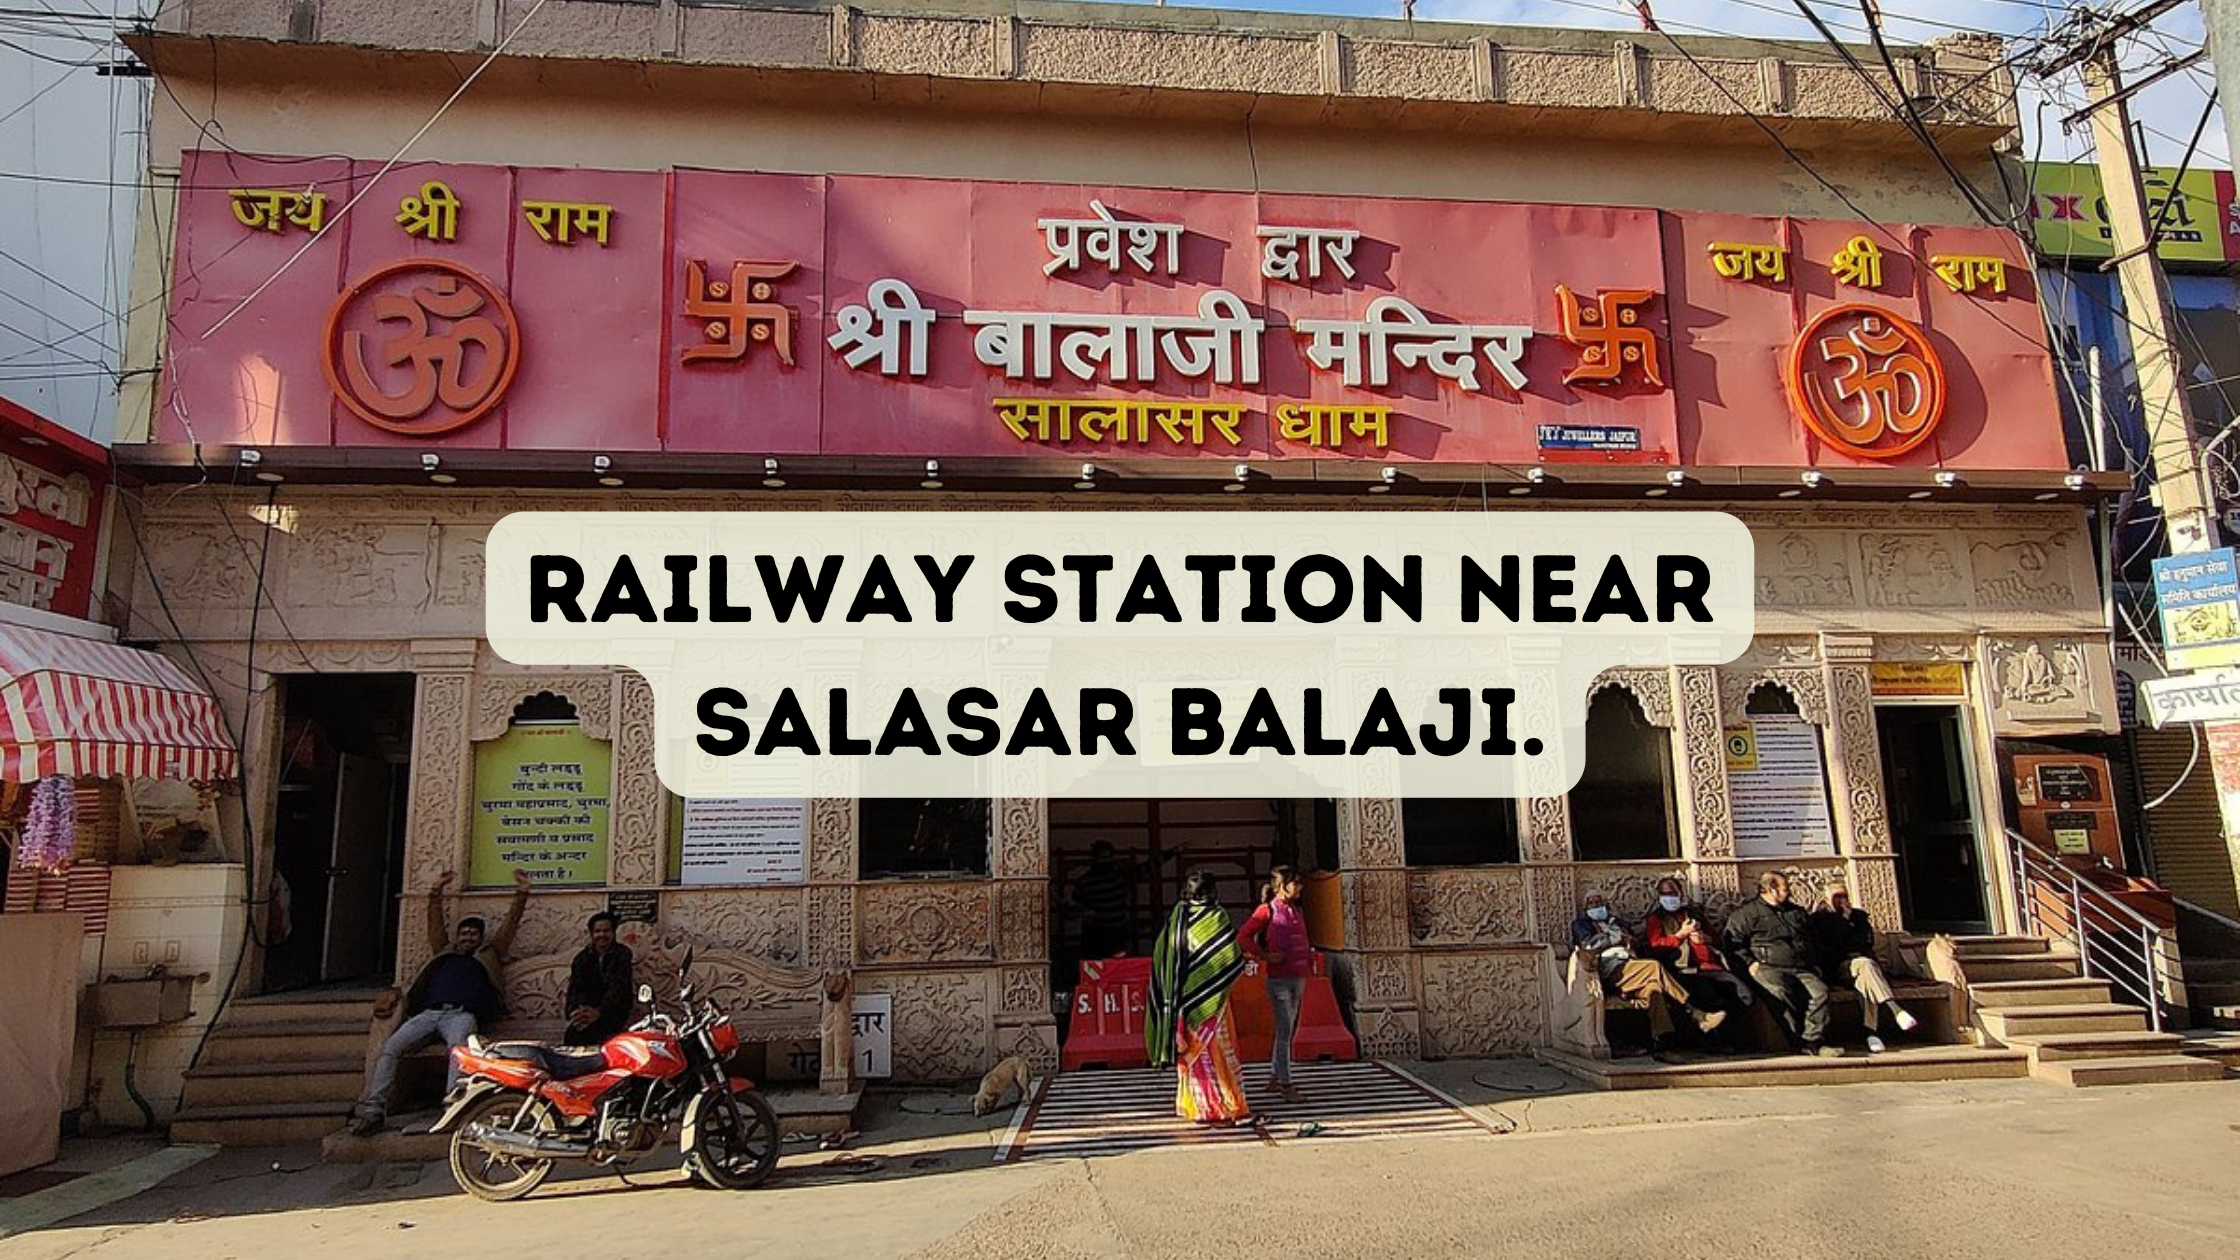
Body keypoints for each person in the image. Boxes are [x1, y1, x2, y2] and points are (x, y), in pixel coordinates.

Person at [351, 867, 532, 1135]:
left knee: (458, 1053)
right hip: (428, 1014)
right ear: (457, 937)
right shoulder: (444, 953)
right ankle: (373, 1110)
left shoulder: (488, 954)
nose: (468, 938)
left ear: (480, 938)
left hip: (461, 1015)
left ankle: (453, 1107)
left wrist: (522, 892)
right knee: (391, 1048)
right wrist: (436, 891)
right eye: (464, 934)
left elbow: (510, 924)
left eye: (473, 934)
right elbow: (434, 923)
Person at [1146, 869, 1254, 1126]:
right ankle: (1228, 1107)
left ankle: (1198, 1108)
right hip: (1211, 1002)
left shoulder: (1176, 919)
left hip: (1182, 1003)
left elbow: (1163, 958)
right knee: (1219, 1054)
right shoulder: (1216, 916)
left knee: (1194, 1059)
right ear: (1213, 892)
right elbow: (1227, 955)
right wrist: (1242, 961)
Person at [1571, 891, 1727, 1059]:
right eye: (1591, 903)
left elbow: (1635, 942)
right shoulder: (1581, 924)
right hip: (1610, 967)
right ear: (1585, 906)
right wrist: (1613, 938)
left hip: (1632, 964)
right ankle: (1696, 1014)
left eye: (1599, 901)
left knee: (1655, 990)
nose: (1596, 905)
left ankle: (1662, 1045)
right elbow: (1588, 945)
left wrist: (1628, 940)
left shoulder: (1617, 922)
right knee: (1654, 967)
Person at [1723, 871, 1839, 1057]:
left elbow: (1812, 939)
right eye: (1785, 889)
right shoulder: (1747, 914)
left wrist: (1815, 961)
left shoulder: (1796, 912)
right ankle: (1796, 1038)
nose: (1789, 892)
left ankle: (1813, 1039)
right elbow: (1732, 944)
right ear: (1770, 889)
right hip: (1766, 965)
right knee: (1779, 991)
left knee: (1820, 992)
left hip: (1801, 966)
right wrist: (1749, 963)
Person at [1808, 881, 1920, 1054]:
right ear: (1826, 897)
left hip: (1863, 966)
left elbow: (1866, 942)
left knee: (1866, 978)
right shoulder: (1818, 920)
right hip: (1837, 967)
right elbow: (1829, 948)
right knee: (1866, 967)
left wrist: (1850, 923)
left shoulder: (1859, 917)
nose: (1841, 900)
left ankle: (1871, 1034)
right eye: (1837, 896)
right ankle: (1894, 1009)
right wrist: (1844, 924)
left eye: (1844, 896)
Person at [1237, 866, 1314, 1103]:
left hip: (1297, 976)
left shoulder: (1295, 910)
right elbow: (1243, 936)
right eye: (1296, 883)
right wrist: (1265, 956)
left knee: (1287, 1031)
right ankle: (1285, 1083)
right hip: (1279, 979)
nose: (1300, 887)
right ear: (1282, 886)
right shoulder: (1267, 910)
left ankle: (1274, 1075)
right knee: (1284, 1032)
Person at [1642, 876, 1754, 1015]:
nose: (1668, 897)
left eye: (1672, 893)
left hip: (1712, 966)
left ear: (1680, 893)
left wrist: (1705, 938)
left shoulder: (1694, 914)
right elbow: (1655, 947)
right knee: (1708, 995)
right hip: (1685, 969)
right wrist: (1680, 935)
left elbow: (1717, 939)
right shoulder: (1657, 918)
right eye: (1664, 894)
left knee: (1743, 994)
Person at [564, 910, 637, 1047]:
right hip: (587, 1009)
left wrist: (599, 1012)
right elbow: (575, 988)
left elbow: (618, 989)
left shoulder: (622, 954)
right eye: (597, 931)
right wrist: (576, 1012)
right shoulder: (582, 958)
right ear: (592, 934)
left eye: (606, 931)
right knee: (573, 1035)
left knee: (594, 1033)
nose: (602, 935)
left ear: (613, 933)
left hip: (613, 1010)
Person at [1070, 840, 1144, 962]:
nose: (1105, 861)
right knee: (1094, 968)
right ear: (1094, 858)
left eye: (1108, 857)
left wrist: (1173, 851)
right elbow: (1072, 912)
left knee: (1117, 968)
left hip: (1117, 932)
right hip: (1094, 935)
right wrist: (1083, 913)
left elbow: (1148, 867)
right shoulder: (1083, 882)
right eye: (1102, 857)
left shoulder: (1120, 876)